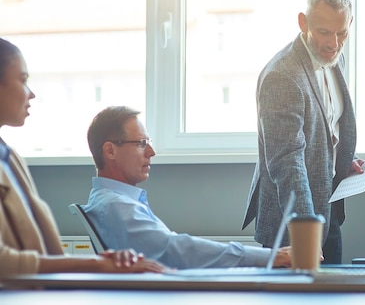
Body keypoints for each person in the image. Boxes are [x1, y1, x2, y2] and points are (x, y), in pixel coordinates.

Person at [0, 38, 165, 277]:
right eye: (23, 80)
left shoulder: (10, 157)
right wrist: (94, 265)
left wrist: (105, 263)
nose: (32, 94)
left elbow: (44, 255)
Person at [242, 0, 364, 264]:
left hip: (328, 204)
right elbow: (287, 161)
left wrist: (344, 160)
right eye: (323, 32)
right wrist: (306, 231)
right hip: (293, 219)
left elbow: (324, 126)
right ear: (303, 22)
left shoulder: (336, 57)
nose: (333, 42)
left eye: (342, 32)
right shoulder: (282, 76)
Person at [83, 106, 291, 270]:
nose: (151, 152)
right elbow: (177, 250)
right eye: (141, 143)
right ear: (110, 150)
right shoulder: (115, 206)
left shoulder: (113, 202)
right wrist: (272, 256)